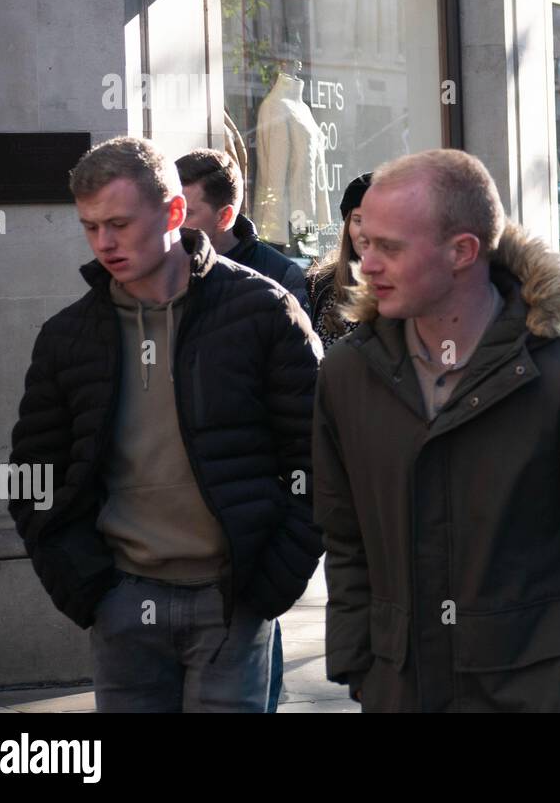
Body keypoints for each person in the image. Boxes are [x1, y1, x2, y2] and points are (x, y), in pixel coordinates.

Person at [312, 150, 560, 712]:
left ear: (462, 251)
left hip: (537, 691)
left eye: (389, 247)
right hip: (400, 691)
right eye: (364, 243)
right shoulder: (347, 375)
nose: (365, 265)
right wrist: (360, 664)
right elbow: (345, 537)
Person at [9, 137, 323, 712]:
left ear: (175, 213)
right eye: (90, 227)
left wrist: (270, 582)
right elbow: (34, 474)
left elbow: (321, 457)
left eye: (120, 224)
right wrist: (86, 586)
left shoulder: (263, 311)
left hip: (234, 597)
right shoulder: (67, 337)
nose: (105, 242)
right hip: (121, 599)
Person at [176, 146, 310, 712]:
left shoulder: (279, 280)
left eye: (187, 211)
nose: (172, 226)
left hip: (253, 510)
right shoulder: (154, 278)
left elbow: (301, 417)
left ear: (223, 216)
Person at [176, 147, 309, 312]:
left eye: (186, 213)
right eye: (168, 210)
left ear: (224, 217)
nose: (172, 221)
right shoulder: (157, 265)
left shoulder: (280, 274)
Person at [306, 173, 370, 350]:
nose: (366, 232)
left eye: (377, 220)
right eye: (358, 220)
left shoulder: (409, 290)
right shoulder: (319, 286)